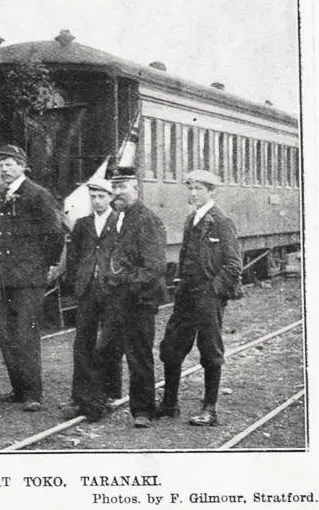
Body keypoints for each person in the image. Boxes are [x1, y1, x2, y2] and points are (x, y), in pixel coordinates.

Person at [157, 170, 242, 427]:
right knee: (171, 347)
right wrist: (180, 281)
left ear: (211, 192)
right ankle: (170, 404)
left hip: (208, 296)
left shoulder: (221, 221)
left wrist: (213, 291)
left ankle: (210, 409)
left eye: (199, 189)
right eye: (190, 188)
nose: (193, 193)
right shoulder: (191, 219)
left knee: (210, 350)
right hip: (186, 295)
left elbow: (233, 264)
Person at [0, 145, 64, 412]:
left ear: (23, 166)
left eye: (9, 164)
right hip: (4, 277)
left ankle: (33, 393)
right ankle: (18, 388)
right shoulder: (1, 194)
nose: (4, 168)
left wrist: (45, 265)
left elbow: (54, 234)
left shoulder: (37, 195)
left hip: (27, 278)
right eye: (1, 164)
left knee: (26, 334)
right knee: (5, 334)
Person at [100, 166, 167, 428]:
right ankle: (107, 396)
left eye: (122, 187)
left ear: (136, 188)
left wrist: (125, 284)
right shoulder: (118, 217)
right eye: (114, 188)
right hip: (117, 298)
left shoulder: (146, 219)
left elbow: (154, 266)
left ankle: (143, 410)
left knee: (138, 355)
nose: (117, 193)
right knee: (106, 349)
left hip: (139, 300)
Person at [60, 177, 121, 421]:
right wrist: (77, 282)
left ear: (110, 198)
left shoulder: (119, 222)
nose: (97, 201)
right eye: (93, 197)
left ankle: (109, 392)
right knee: (83, 342)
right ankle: (80, 395)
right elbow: (74, 257)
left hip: (111, 289)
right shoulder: (82, 225)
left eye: (101, 197)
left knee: (109, 342)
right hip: (87, 290)